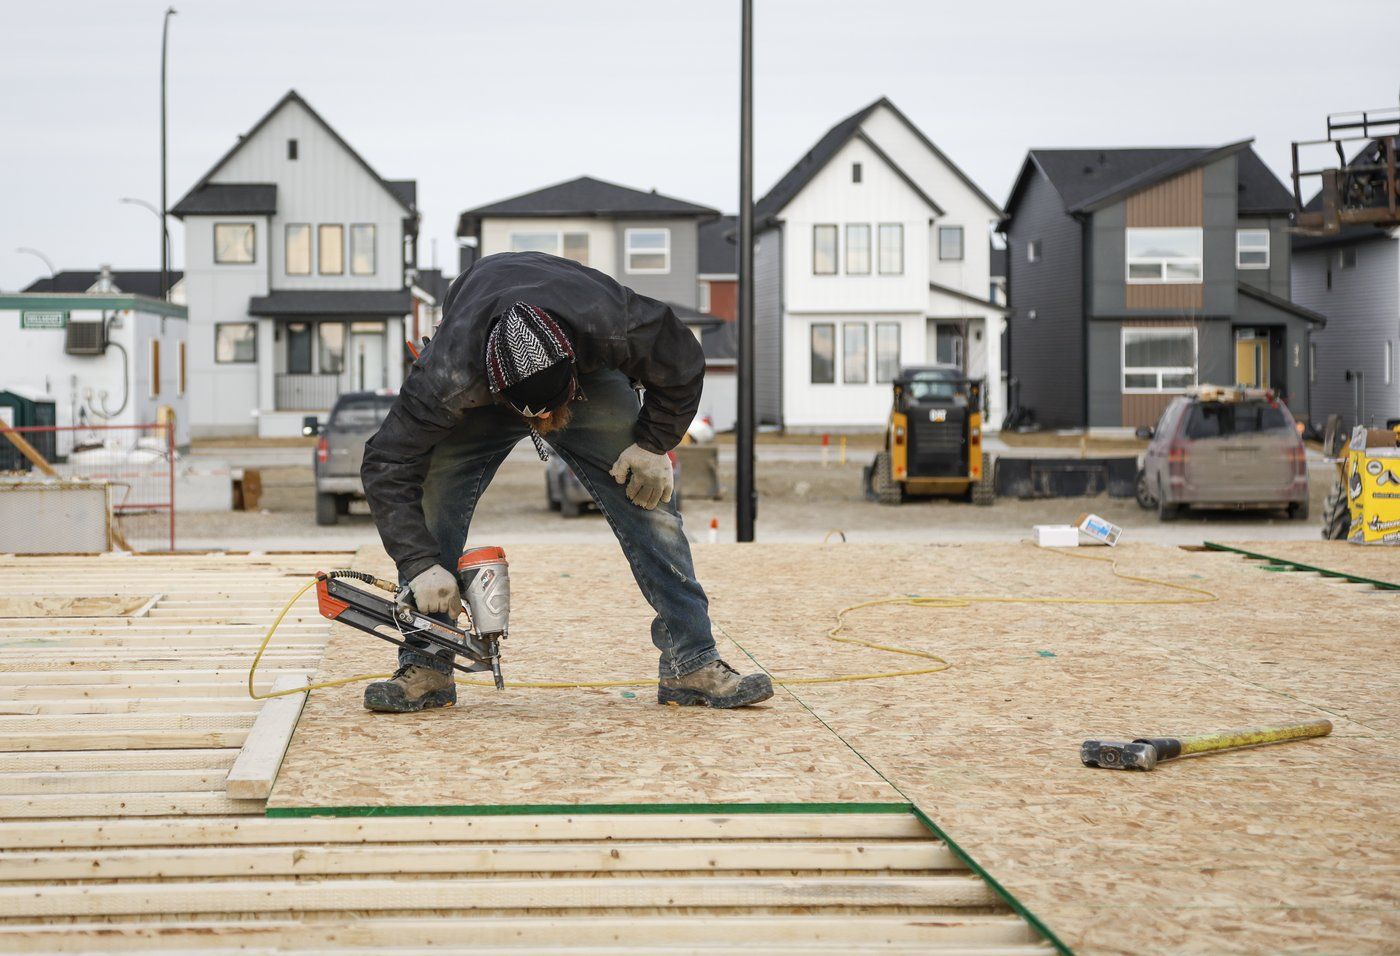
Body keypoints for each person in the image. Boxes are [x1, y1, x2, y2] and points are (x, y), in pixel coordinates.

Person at [359, 251, 773, 713]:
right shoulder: (448, 376)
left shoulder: (611, 323)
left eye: (547, 411)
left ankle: (692, 661)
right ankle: (427, 666)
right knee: (433, 496)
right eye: (529, 414)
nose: (540, 423)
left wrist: (655, 443)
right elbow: (386, 461)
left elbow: (682, 359)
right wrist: (420, 564)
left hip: (588, 382)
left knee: (648, 502)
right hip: (482, 387)